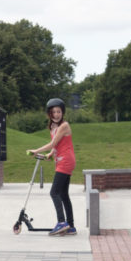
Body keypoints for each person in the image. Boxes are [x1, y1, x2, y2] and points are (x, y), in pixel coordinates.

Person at [26, 97, 77, 236]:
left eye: (58, 111)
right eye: (53, 112)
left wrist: (36, 150)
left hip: (65, 161)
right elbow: (56, 146)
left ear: (63, 112)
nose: (56, 114)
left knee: (54, 192)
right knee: (63, 194)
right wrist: (49, 155)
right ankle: (71, 226)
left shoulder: (64, 126)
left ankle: (61, 223)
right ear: (49, 113)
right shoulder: (54, 127)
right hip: (62, 160)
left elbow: (52, 144)